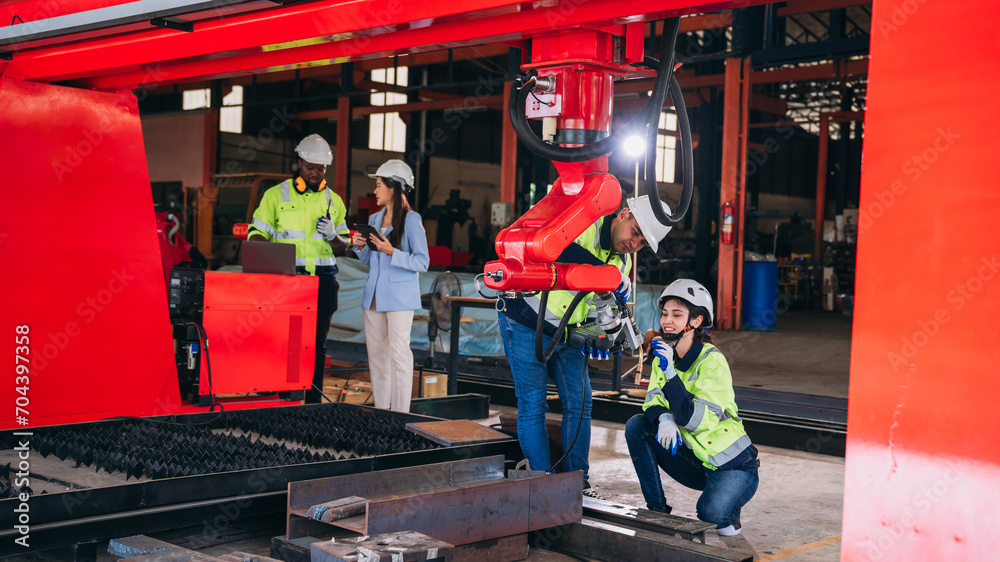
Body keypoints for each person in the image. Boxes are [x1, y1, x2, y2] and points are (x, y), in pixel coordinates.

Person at [498, 194, 672, 490]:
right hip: (526, 321)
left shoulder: (622, 261)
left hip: (567, 335)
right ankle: (543, 486)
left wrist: (597, 335)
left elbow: (600, 308)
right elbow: (558, 247)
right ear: (623, 214)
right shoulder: (582, 222)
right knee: (532, 405)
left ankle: (578, 484)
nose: (635, 244)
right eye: (635, 232)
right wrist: (606, 275)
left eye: (643, 242)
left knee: (580, 405)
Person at [625, 279, 759, 536]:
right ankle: (657, 512)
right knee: (637, 426)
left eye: (677, 315)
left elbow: (694, 419)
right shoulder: (665, 356)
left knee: (711, 516)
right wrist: (664, 417)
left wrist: (671, 374)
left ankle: (729, 503)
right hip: (697, 460)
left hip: (732, 465)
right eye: (665, 314)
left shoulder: (712, 361)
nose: (667, 321)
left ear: (696, 321)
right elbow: (652, 401)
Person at [247, 133, 350, 404]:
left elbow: (344, 246)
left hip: (323, 282)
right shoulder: (275, 195)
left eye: (320, 169)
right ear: (299, 163)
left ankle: (312, 403)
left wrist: (333, 235)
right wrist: (266, 256)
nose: (314, 173)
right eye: (309, 167)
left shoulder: (334, 201)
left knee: (316, 345)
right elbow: (256, 233)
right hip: (287, 282)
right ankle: (281, 400)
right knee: (283, 342)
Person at [352, 159, 429, 413]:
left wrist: (392, 252)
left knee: (399, 356)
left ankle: (400, 415)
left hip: (399, 298)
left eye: (378, 185)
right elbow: (371, 261)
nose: (375, 191)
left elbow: (423, 262)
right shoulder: (374, 218)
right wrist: (360, 246)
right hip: (373, 297)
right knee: (377, 358)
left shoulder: (412, 220)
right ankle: (381, 412)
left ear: (394, 188)